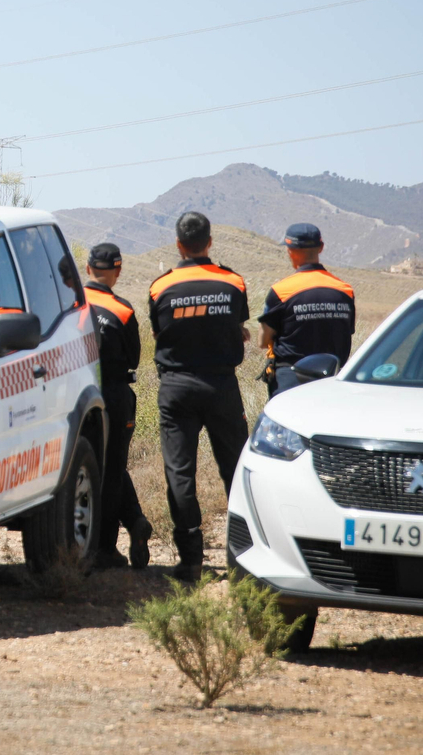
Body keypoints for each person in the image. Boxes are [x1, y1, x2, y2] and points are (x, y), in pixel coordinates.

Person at [146, 212, 250, 581]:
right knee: (237, 470)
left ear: (178, 245)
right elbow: (239, 329)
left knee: (180, 473)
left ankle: (190, 560)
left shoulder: (161, 287)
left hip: (177, 387)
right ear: (209, 242)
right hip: (222, 386)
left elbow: (162, 334)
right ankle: (244, 557)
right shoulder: (233, 281)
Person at [82, 243, 153, 569]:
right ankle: (106, 547)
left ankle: (89, 540)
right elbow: (134, 358)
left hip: (75, 394)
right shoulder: (122, 311)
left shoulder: (71, 305)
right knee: (112, 469)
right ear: (118, 271)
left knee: (88, 467)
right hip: (114, 394)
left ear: (86, 269)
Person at [258, 223, 356, 398]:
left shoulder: (281, 291)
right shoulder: (345, 291)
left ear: (289, 250)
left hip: (290, 379)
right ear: (321, 248)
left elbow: (263, 340)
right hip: (333, 379)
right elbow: (347, 332)